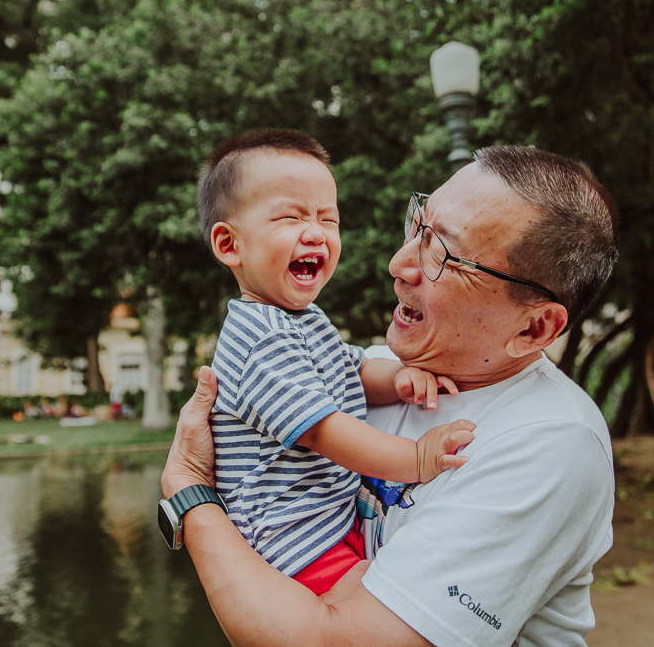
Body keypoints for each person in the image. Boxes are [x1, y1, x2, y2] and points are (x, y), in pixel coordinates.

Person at [162, 144, 618, 646]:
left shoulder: (550, 443)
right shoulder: (392, 365)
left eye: (443, 253)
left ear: (534, 329)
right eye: (418, 227)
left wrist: (191, 497)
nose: (398, 264)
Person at [196, 128, 474, 593]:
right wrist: (416, 458)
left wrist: (400, 378)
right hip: (290, 539)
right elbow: (321, 429)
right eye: (290, 217)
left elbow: (355, 369)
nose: (315, 233)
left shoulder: (302, 318)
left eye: (329, 219)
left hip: (327, 521)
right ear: (230, 245)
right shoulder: (259, 337)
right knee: (359, 621)